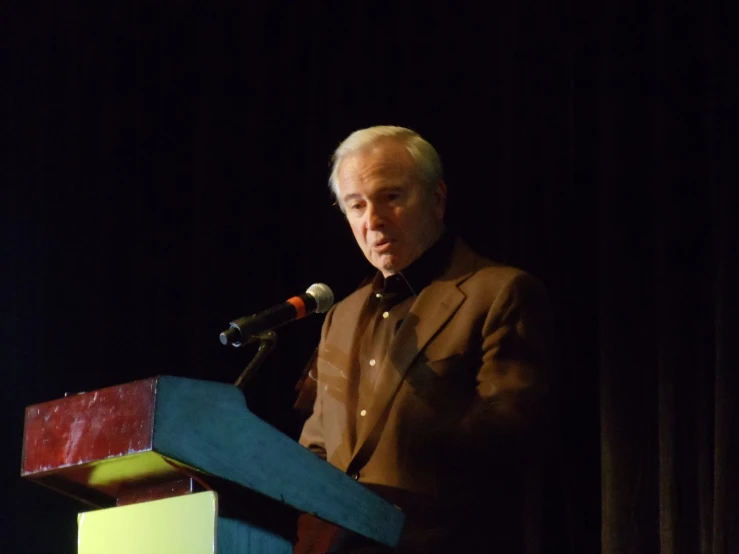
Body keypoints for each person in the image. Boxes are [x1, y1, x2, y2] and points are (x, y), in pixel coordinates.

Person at [296, 126, 552, 553]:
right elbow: (317, 447)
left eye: (391, 198)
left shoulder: (500, 293)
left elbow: (508, 440)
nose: (372, 220)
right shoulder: (339, 316)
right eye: (356, 205)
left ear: (436, 199)